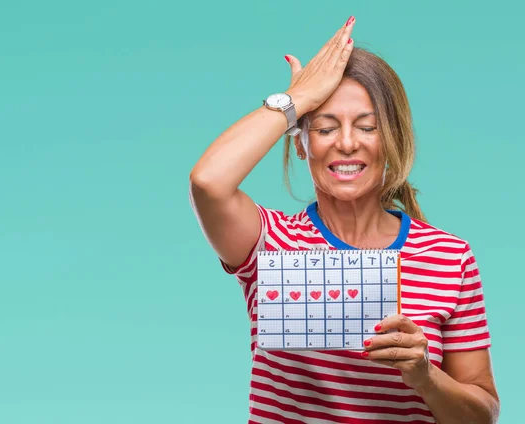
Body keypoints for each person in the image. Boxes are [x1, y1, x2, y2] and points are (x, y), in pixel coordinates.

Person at [188, 15, 500, 424]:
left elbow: (482, 415)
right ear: (302, 145)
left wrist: (425, 376)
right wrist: (296, 99)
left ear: (391, 140)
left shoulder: (449, 257)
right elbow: (208, 182)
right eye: (325, 128)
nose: (348, 143)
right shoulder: (271, 244)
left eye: (367, 127)